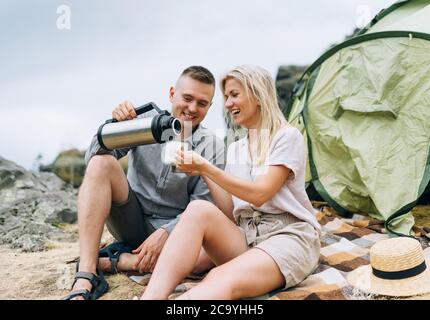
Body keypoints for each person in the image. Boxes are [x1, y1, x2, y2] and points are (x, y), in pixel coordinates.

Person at [141, 65, 321, 300]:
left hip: (288, 237)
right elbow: (231, 210)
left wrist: (207, 167)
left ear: (257, 95)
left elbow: (260, 195)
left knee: (217, 278)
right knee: (198, 209)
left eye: (234, 95)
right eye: (226, 97)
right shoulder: (236, 147)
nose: (227, 104)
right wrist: (202, 170)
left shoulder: (286, 137)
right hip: (248, 237)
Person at [64, 66, 225, 300]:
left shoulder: (212, 146)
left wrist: (165, 232)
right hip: (129, 218)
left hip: (175, 235)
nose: (192, 108)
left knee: (207, 257)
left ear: (209, 107)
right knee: (102, 163)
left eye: (202, 103)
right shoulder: (143, 121)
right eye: (187, 98)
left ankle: (118, 261)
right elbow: (93, 161)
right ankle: (87, 273)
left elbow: (203, 206)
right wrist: (114, 125)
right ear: (172, 94)